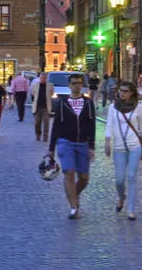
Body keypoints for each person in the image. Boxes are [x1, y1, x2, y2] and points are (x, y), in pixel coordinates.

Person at [48, 72, 97, 219]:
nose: (77, 86)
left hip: (83, 143)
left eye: (80, 83)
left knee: (84, 178)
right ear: (69, 85)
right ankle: (73, 207)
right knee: (69, 172)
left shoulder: (88, 103)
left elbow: (92, 125)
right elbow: (56, 125)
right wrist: (51, 148)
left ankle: (74, 194)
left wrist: (91, 146)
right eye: (74, 83)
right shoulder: (62, 103)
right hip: (65, 142)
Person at [105, 80, 142, 220]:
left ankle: (131, 210)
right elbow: (109, 125)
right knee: (119, 180)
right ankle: (122, 197)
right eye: (121, 90)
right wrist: (107, 142)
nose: (122, 93)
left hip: (134, 147)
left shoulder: (138, 108)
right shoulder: (113, 107)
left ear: (132, 93)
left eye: (125, 91)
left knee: (132, 177)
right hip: (119, 148)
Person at [30, 72, 54, 142]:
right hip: (37, 107)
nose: (43, 79)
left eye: (44, 78)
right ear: (39, 78)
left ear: (46, 78)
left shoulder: (50, 85)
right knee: (37, 122)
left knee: (46, 122)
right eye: (41, 78)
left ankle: (45, 136)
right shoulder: (35, 85)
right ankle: (38, 134)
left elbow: (52, 94)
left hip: (46, 107)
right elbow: (33, 94)